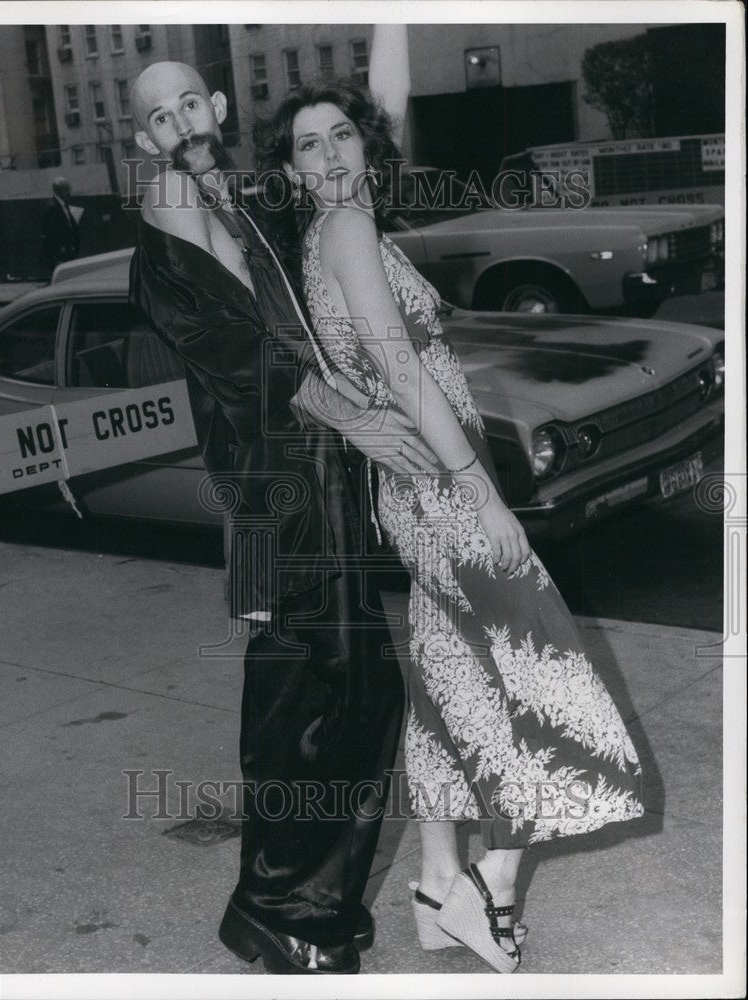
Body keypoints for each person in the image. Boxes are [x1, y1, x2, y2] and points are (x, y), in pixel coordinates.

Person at [256, 60, 645, 974]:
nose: (330, 154)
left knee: (452, 678)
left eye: (341, 134)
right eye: (308, 145)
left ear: (367, 143)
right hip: (442, 484)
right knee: (549, 674)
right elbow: (397, 369)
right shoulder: (346, 226)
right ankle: (492, 882)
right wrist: (481, 490)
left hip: (415, 486)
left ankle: (435, 886)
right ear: (294, 172)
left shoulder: (327, 236)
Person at [126, 33, 423, 975]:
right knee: (309, 695)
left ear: (216, 109)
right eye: (156, 117)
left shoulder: (255, 199)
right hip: (275, 493)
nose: (178, 127)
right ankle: (281, 909)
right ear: (144, 143)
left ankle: (309, 903)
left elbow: (374, 130)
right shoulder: (168, 213)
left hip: (313, 475)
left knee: (350, 687)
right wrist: (361, 422)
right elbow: (248, 359)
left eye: (187, 105)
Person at [40, 176, 80, 278]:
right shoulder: (52, 208)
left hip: (68, 249)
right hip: (60, 253)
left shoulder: (63, 204)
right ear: (58, 190)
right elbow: (52, 233)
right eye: (66, 189)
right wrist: (59, 251)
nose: (69, 192)